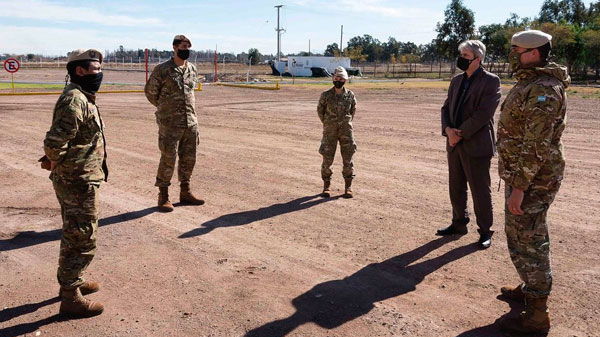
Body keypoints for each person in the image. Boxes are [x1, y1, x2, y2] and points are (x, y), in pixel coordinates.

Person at [497, 30, 570, 334]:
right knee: (519, 235)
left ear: (533, 53)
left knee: (531, 241)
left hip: (533, 181)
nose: (513, 55)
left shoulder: (544, 90)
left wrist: (519, 188)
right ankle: (530, 288)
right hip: (522, 177)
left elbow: (536, 145)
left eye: (516, 50)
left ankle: (538, 313)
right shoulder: (530, 83)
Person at [41, 49, 108, 317]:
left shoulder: (82, 96)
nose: (100, 73)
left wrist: (55, 158)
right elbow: (54, 142)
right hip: (77, 179)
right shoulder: (75, 99)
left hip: (81, 175)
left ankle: (73, 282)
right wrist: (54, 160)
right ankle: (70, 297)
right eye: (95, 68)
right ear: (79, 70)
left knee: (76, 232)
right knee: (81, 235)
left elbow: (72, 138)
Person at [437, 40, 501, 249]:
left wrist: (460, 133)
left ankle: (485, 232)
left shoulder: (491, 81)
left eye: (466, 56)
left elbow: (484, 114)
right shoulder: (456, 81)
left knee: (480, 190)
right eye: (461, 55)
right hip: (454, 143)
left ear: (478, 59)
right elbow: (445, 108)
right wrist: (448, 131)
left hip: (476, 145)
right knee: (456, 187)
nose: (461, 59)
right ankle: (458, 223)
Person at [145, 34, 204, 212]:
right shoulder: (162, 69)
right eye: (184, 47)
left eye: (188, 47)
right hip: (169, 123)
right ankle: (163, 196)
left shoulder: (192, 69)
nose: (187, 50)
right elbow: (150, 93)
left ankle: (185, 191)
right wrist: (165, 109)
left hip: (190, 122)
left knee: (189, 158)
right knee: (168, 158)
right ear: (175, 47)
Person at [317, 66, 357, 198]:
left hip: (346, 132)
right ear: (333, 79)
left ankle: (348, 187)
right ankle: (326, 187)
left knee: (348, 159)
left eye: (340, 78)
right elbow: (320, 111)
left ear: (345, 80)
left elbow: (353, 111)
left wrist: (345, 123)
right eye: (336, 78)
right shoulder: (326, 95)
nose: (338, 80)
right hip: (330, 132)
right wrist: (328, 123)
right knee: (327, 159)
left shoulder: (350, 95)